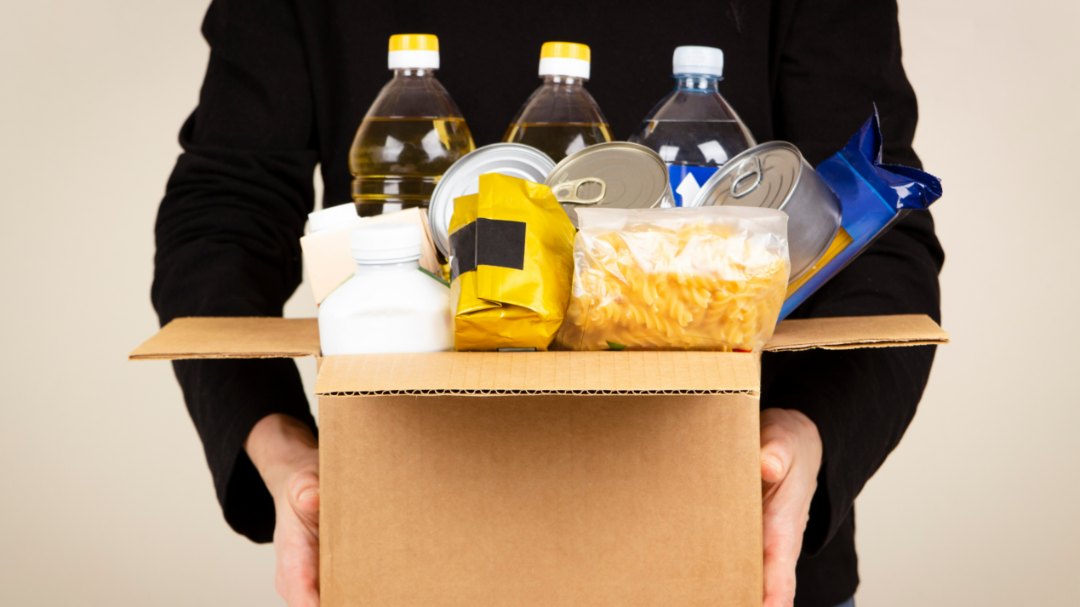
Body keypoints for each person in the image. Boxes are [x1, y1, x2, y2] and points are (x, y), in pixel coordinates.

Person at [152, 1, 942, 606]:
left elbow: (874, 239)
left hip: (719, 533)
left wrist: (808, 441)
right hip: (414, 538)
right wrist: (282, 448)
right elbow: (222, 213)